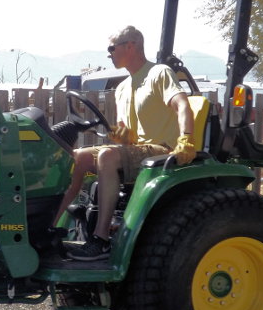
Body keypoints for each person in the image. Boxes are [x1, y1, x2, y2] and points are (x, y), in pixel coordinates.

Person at [54, 26, 199, 261]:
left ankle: (100, 240)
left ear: (131, 46)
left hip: (163, 149)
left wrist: (186, 139)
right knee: (77, 157)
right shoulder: (122, 88)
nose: (108, 54)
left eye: (112, 48)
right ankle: (49, 229)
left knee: (107, 157)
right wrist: (123, 136)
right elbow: (129, 134)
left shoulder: (159, 73)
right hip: (137, 150)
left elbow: (182, 104)